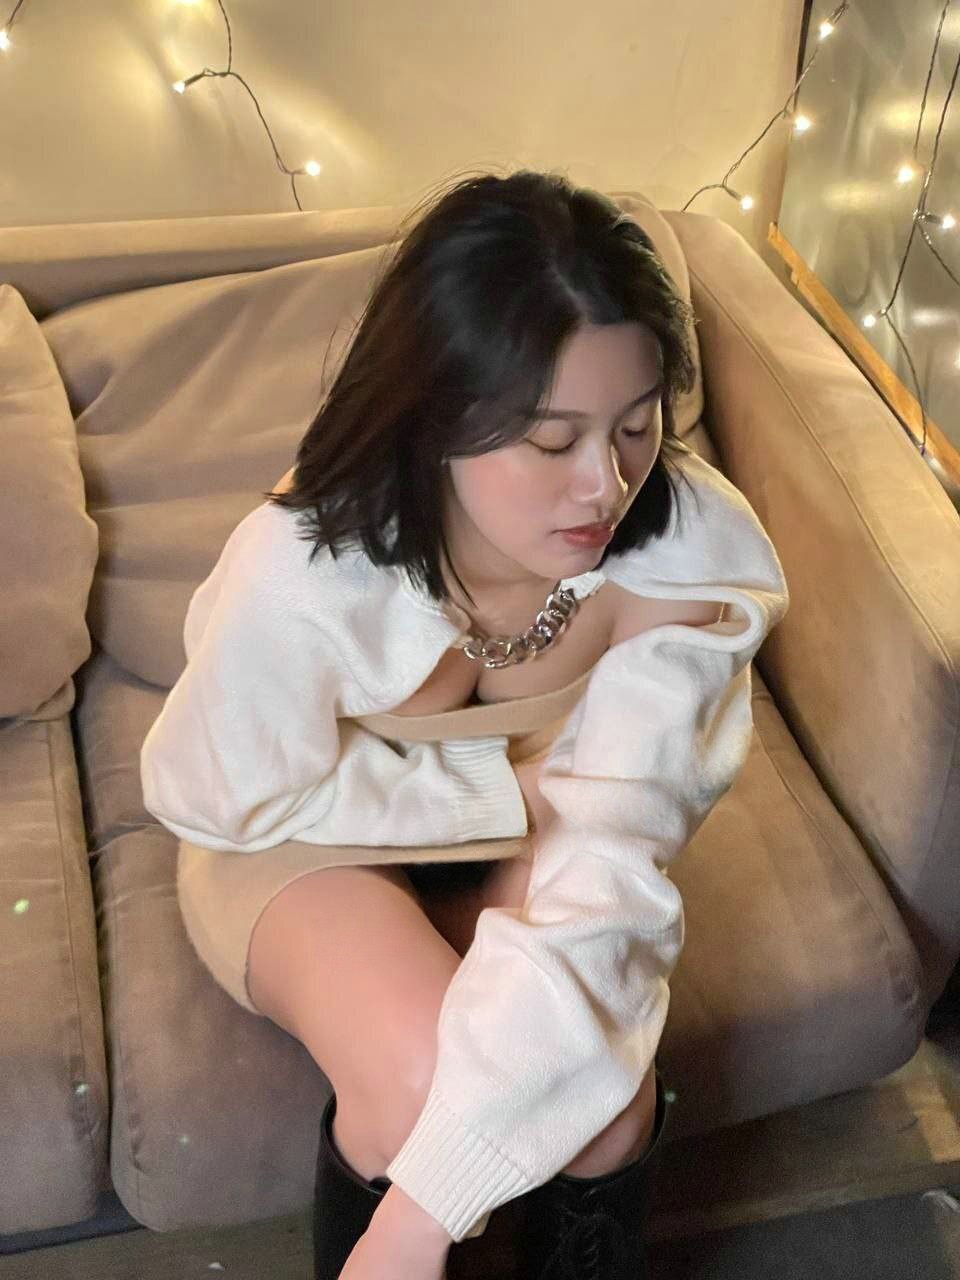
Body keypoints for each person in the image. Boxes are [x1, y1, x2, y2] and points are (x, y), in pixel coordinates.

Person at [140, 169, 790, 1280]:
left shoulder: (689, 562)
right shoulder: (304, 568)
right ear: (438, 415)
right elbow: (216, 791)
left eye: (637, 426)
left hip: (540, 829)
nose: (606, 485)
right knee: (415, 1083)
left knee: (608, 1108)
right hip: (296, 832)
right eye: (552, 440)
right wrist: (485, 796)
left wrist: (419, 1220)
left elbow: (608, 866)